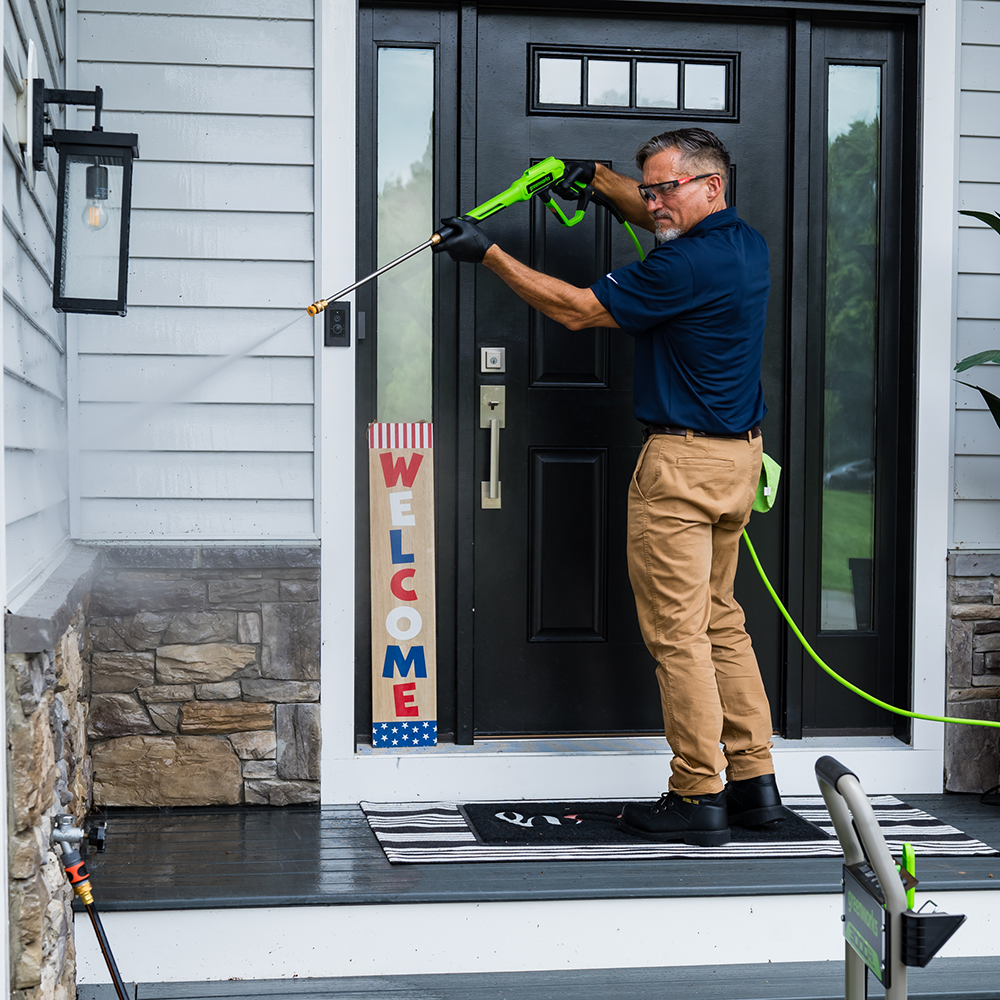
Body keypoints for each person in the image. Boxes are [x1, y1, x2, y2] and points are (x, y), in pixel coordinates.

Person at [433, 128, 783, 847]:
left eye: (666, 189)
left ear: (711, 186)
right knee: (721, 622)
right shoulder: (743, 244)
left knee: (680, 636)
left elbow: (576, 309)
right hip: (737, 464)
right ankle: (754, 782)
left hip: (682, 470)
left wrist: (488, 253)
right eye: (645, 188)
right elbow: (660, 218)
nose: (653, 203)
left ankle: (697, 796)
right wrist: (596, 181)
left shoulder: (679, 267)